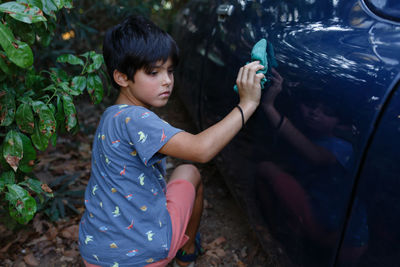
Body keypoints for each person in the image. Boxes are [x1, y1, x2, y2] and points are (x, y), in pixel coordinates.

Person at [78, 15, 264, 267]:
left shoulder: (112, 116)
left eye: (170, 71)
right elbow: (201, 149)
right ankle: (186, 254)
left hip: (96, 253)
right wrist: (247, 104)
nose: (167, 80)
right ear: (122, 78)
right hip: (143, 254)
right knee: (189, 172)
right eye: (153, 72)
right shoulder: (138, 118)